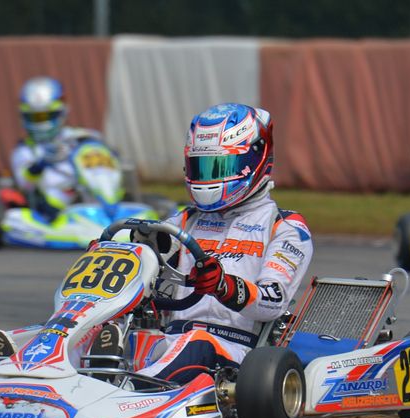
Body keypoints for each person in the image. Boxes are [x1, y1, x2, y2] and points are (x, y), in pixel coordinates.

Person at [133, 103, 314, 384]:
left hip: (238, 351)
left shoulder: (284, 226)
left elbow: (274, 301)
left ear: (253, 160)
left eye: (220, 166)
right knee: (106, 334)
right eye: (202, 168)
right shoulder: (185, 220)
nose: (209, 178)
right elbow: (147, 263)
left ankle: (131, 390)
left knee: (197, 344)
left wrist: (225, 287)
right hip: (171, 338)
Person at [10, 76, 102, 222]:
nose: (41, 123)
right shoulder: (25, 150)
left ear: (60, 113)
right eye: (36, 118)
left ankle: (112, 210)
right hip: (53, 201)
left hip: (91, 188)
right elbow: (24, 183)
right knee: (58, 195)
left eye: (46, 116)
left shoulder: (79, 136)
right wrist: (40, 164)